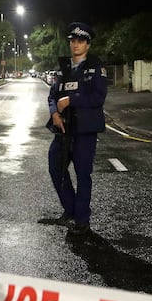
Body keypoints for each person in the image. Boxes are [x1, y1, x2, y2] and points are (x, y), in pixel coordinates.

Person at [46, 22, 107, 236]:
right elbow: (52, 96)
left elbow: (97, 97)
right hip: (63, 129)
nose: (76, 44)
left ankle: (82, 219)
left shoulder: (96, 67)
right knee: (56, 167)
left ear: (87, 44)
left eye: (80, 41)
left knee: (83, 174)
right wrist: (54, 113)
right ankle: (70, 210)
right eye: (73, 40)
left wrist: (70, 100)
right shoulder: (63, 69)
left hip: (84, 130)